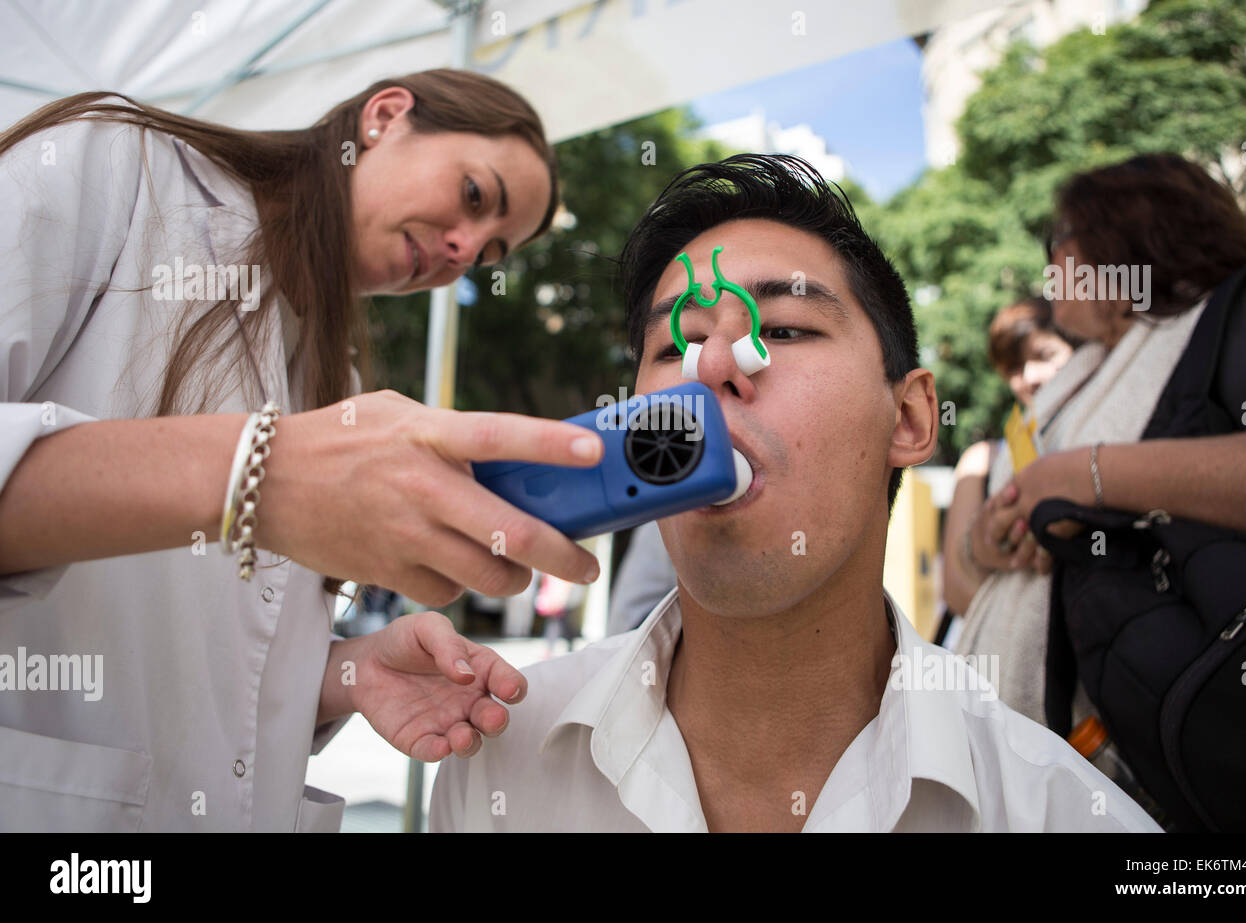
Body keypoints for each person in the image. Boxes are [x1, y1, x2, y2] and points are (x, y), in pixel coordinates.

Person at [429, 154, 1162, 832]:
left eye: (781, 326)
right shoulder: (495, 756)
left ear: (908, 418)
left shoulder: (1064, 813)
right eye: (671, 346)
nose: (711, 365)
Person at [0, 70, 611, 832]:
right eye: (474, 196)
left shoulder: (332, 379)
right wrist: (260, 473)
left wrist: (345, 673)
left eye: (487, 253)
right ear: (386, 116)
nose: (461, 249)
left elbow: (196, 643)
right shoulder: (116, 171)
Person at [955, 152, 1246, 731]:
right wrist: (994, 540)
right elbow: (998, 554)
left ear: (1125, 237)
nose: (1050, 266)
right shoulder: (1074, 384)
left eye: (1058, 239)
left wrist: (1087, 478)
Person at [941, 297, 1074, 619]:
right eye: (1013, 368)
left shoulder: (1104, 436)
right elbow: (956, 592)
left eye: (1043, 356)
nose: (1029, 376)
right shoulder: (983, 461)